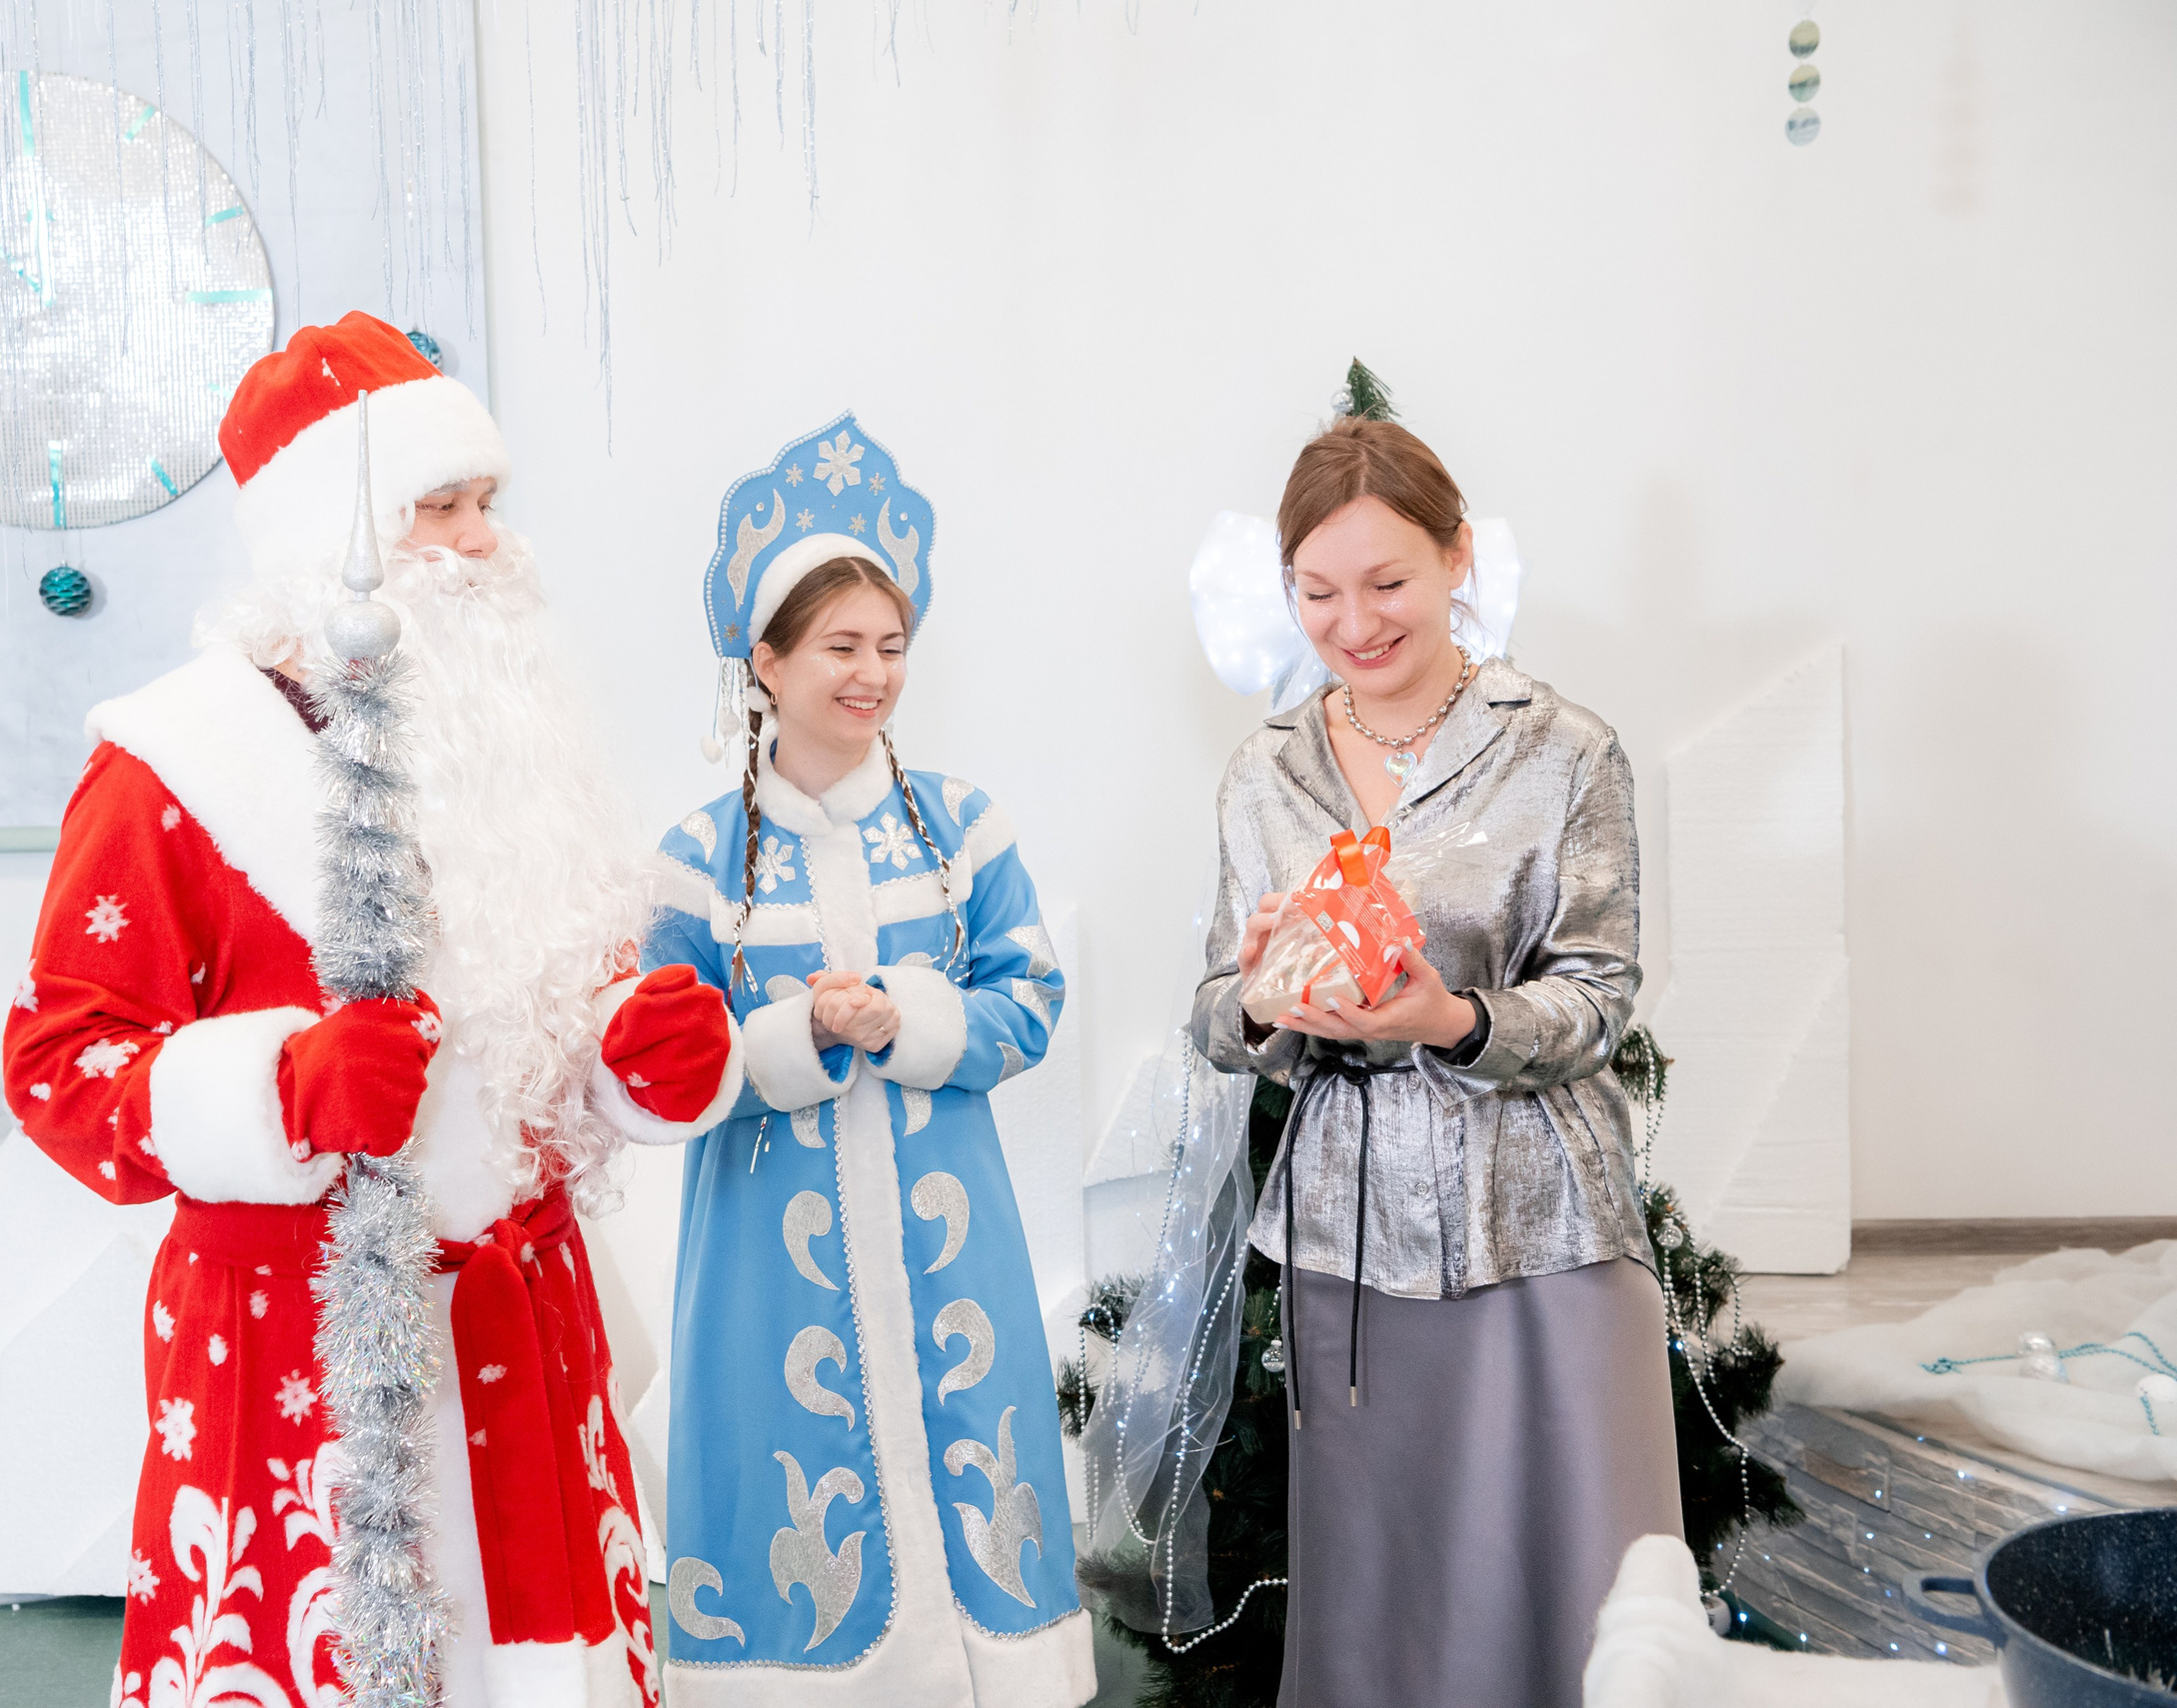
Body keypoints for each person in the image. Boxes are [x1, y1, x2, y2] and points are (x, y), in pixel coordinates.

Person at [3, 312, 739, 1708]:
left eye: (487, 504)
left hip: (523, 1321)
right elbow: (58, 1068)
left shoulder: (500, 749)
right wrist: (281, 1089)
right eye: (437, 509)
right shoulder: (177, 765)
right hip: (298, 1347)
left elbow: (537, 1035)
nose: (483, 546)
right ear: (325, 544)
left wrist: (630, 1055)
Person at [1189, 408, 1682, 1707]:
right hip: (1354, 1257)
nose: (1355, 621)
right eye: (1318, 590)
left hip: (1548, 1235)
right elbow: (1213, 1008)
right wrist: (1261, 996)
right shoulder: (1265, 775)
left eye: (1388, 581)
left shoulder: (1566, 749)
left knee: (1586, 1599)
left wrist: (1450, 1020)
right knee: (1389, 1620)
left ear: (1458, 555)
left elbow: (1598, 997)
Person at [638, 418, 1095, 1708]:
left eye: (891, 647)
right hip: (763, 1253)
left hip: (951, 1224)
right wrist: (792, 1039)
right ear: (766, 661)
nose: (873, 673)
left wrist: (907, 1014)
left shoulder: (961, 827)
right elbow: (658, 1070)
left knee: (972, 1450)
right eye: (841, 647)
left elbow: (1033, 997)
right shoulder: (694, 855)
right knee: (789, 1465)